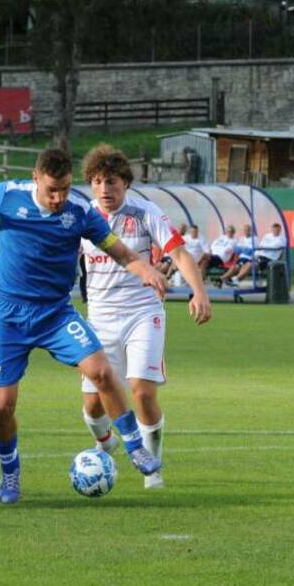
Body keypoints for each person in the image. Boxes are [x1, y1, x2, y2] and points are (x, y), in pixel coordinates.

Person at [0, 148, 167, 504]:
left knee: (102, 372)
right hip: (8, 314)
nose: (59, 197)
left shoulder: (79, 213)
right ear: (36, 178)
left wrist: (148, 271)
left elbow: (121, 253)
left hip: (56, 313)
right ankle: (10, 472)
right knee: (2, 405)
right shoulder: (7, 195)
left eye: (64, 189)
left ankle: (135, 446)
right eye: (52, 190)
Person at [78, 145, 212, 489]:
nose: (105, 189)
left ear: (126, 183)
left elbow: (178, 253)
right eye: (97, 182)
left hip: (143, 313)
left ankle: (152, 471)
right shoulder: (82, 217)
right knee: (93, 406)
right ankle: (105, 443)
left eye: (111, 182)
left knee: (142, 391)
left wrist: (199, 292)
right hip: (99, 318)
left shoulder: (145, 212)